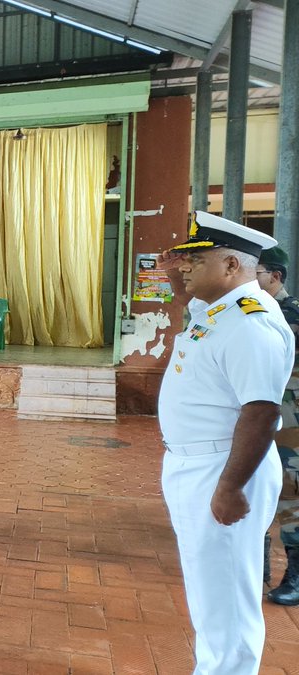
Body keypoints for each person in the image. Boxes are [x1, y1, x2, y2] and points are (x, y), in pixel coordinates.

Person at [157, 211, 291, 674]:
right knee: (209, 586)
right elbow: (187, 301)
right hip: (197, 464)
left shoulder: (250, 323)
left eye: (197, 260)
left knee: (227, 597)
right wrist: (175, 272)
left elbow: (261, 411)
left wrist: (230, 487)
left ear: (232, 265)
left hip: (222, 467)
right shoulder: (220, 308)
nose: (185, 267)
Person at [256, 246, 299, 605]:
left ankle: (295, 575)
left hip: (290, 421)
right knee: (254, 487)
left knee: (291, 493)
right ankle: (257, 565)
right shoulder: (245, 312)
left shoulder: (292, 313)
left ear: (275, 276)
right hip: (253, 415)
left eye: (256, 273)